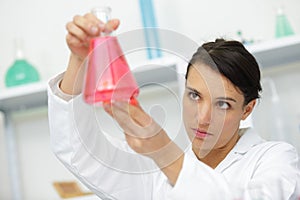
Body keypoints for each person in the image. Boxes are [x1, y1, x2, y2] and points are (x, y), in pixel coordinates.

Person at [48, 12, 300, 200]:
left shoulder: (274, 159)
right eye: (194, 96)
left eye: (223, 104)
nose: (203, 118)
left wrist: (163, 151)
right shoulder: (155, 174)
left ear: (247, 108)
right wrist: (80, 60)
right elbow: (80, 153)